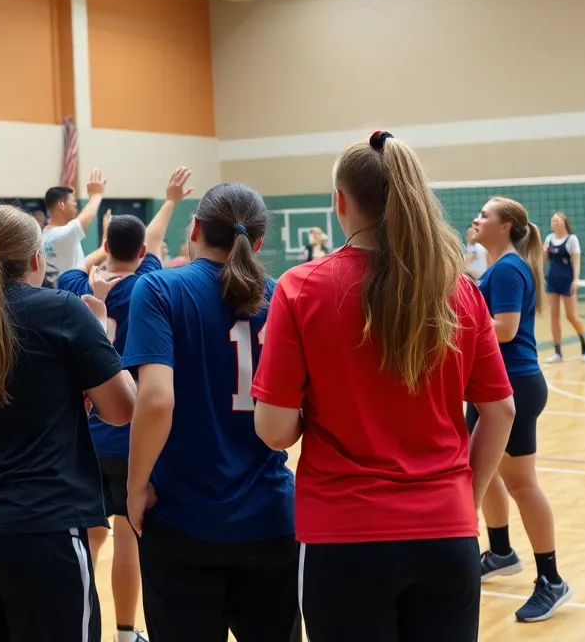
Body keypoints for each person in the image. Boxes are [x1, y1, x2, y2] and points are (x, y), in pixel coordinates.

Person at [253, 132, 517, 641]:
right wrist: (468, 496)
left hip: (343, 537)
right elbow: (500, 410)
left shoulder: (301, 287)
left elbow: (274, 431)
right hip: (447, 532)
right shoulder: (457, 288)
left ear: (340, 202)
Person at [0, 204, 136, 641]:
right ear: (37, 259)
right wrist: (101, 331)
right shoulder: (66, 311)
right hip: (42, 533)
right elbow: (122, 409)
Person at [124, 183, 299, 642]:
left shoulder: (160, 288)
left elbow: (157, 399)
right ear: (257, 243)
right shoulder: (281, 296)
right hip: (269, 517)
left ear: (195, 228)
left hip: (183, 519)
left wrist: (135, 487)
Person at [58, 168, 192, 642]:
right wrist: (172, 200)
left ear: (105, 245)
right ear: (141, 254)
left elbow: (103, 257)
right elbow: (151, 241)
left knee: (89, 539)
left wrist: (102, 247)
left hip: (85, 436)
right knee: (129, 536)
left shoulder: (73, 283)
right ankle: (124, 631)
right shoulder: (148, 286)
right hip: (132, 433)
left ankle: (79, 627)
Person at [469, 196, 571, 622]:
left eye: (485, 215)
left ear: (507, 225)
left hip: (513, 386)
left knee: (520, 483)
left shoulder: (509, 268)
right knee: (485, 469)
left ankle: (551, 579)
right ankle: (501, 551)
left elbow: (505, 329)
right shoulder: (499, 267)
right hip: (496, 386)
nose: (476, 219)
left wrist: (450, 321)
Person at [42, 168, 108, 287]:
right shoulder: (60, 235)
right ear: (61, 204)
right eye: (74, 202)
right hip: (66, 299)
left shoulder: (46, 235)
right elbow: (83, 221)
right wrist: (97, 195)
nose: (76, 207)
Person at [543, 214, 585, 362]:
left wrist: (576, 280)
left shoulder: (572, 239)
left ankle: (584, 344)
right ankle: (557, 352)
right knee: (554, 317)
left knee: (571, 316)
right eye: (552, 220)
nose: (554, 222)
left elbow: (576, 261)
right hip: (552, 281)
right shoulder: (549, 239)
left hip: (567, 282)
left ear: (564, 222)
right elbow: (543, 260)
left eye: (557, 220)